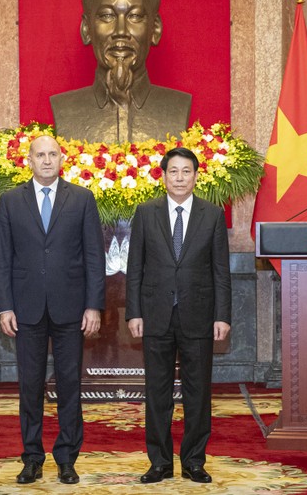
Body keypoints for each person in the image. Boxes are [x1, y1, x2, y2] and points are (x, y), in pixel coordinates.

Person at [0, 134, 105, 485]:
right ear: (28, 160)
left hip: (71, 308)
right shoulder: (10, 201)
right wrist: (4, 306)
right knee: (30, 385)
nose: (46, 160)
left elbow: (93, 257)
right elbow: (2, 258)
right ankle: (31, 457)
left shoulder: (82, 199)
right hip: (25, 309)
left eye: (52, 154)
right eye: (40, 155)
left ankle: (67, 458)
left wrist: (94, 305)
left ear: (61, 159)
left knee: (70, 384)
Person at [125, 147, 231, 484]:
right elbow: (134, 269)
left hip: (198, 315)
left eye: (187, 171)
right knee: (156, 392)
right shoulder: (145, 212)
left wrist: (222, 316)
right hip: (155, 314)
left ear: (197, 176)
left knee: (197, 392)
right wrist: (134, 312)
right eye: (174, 171)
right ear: (164, 175)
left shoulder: (212, 214)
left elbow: (220, 272)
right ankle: (159, 462)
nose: (180, 178)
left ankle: (194, 461)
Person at [50, 0, 191, 143]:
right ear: (86, 29)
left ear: (155, 29)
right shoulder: (65, 109)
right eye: (107, 16)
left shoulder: (177, 106)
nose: (121, 31)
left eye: (135, 16)